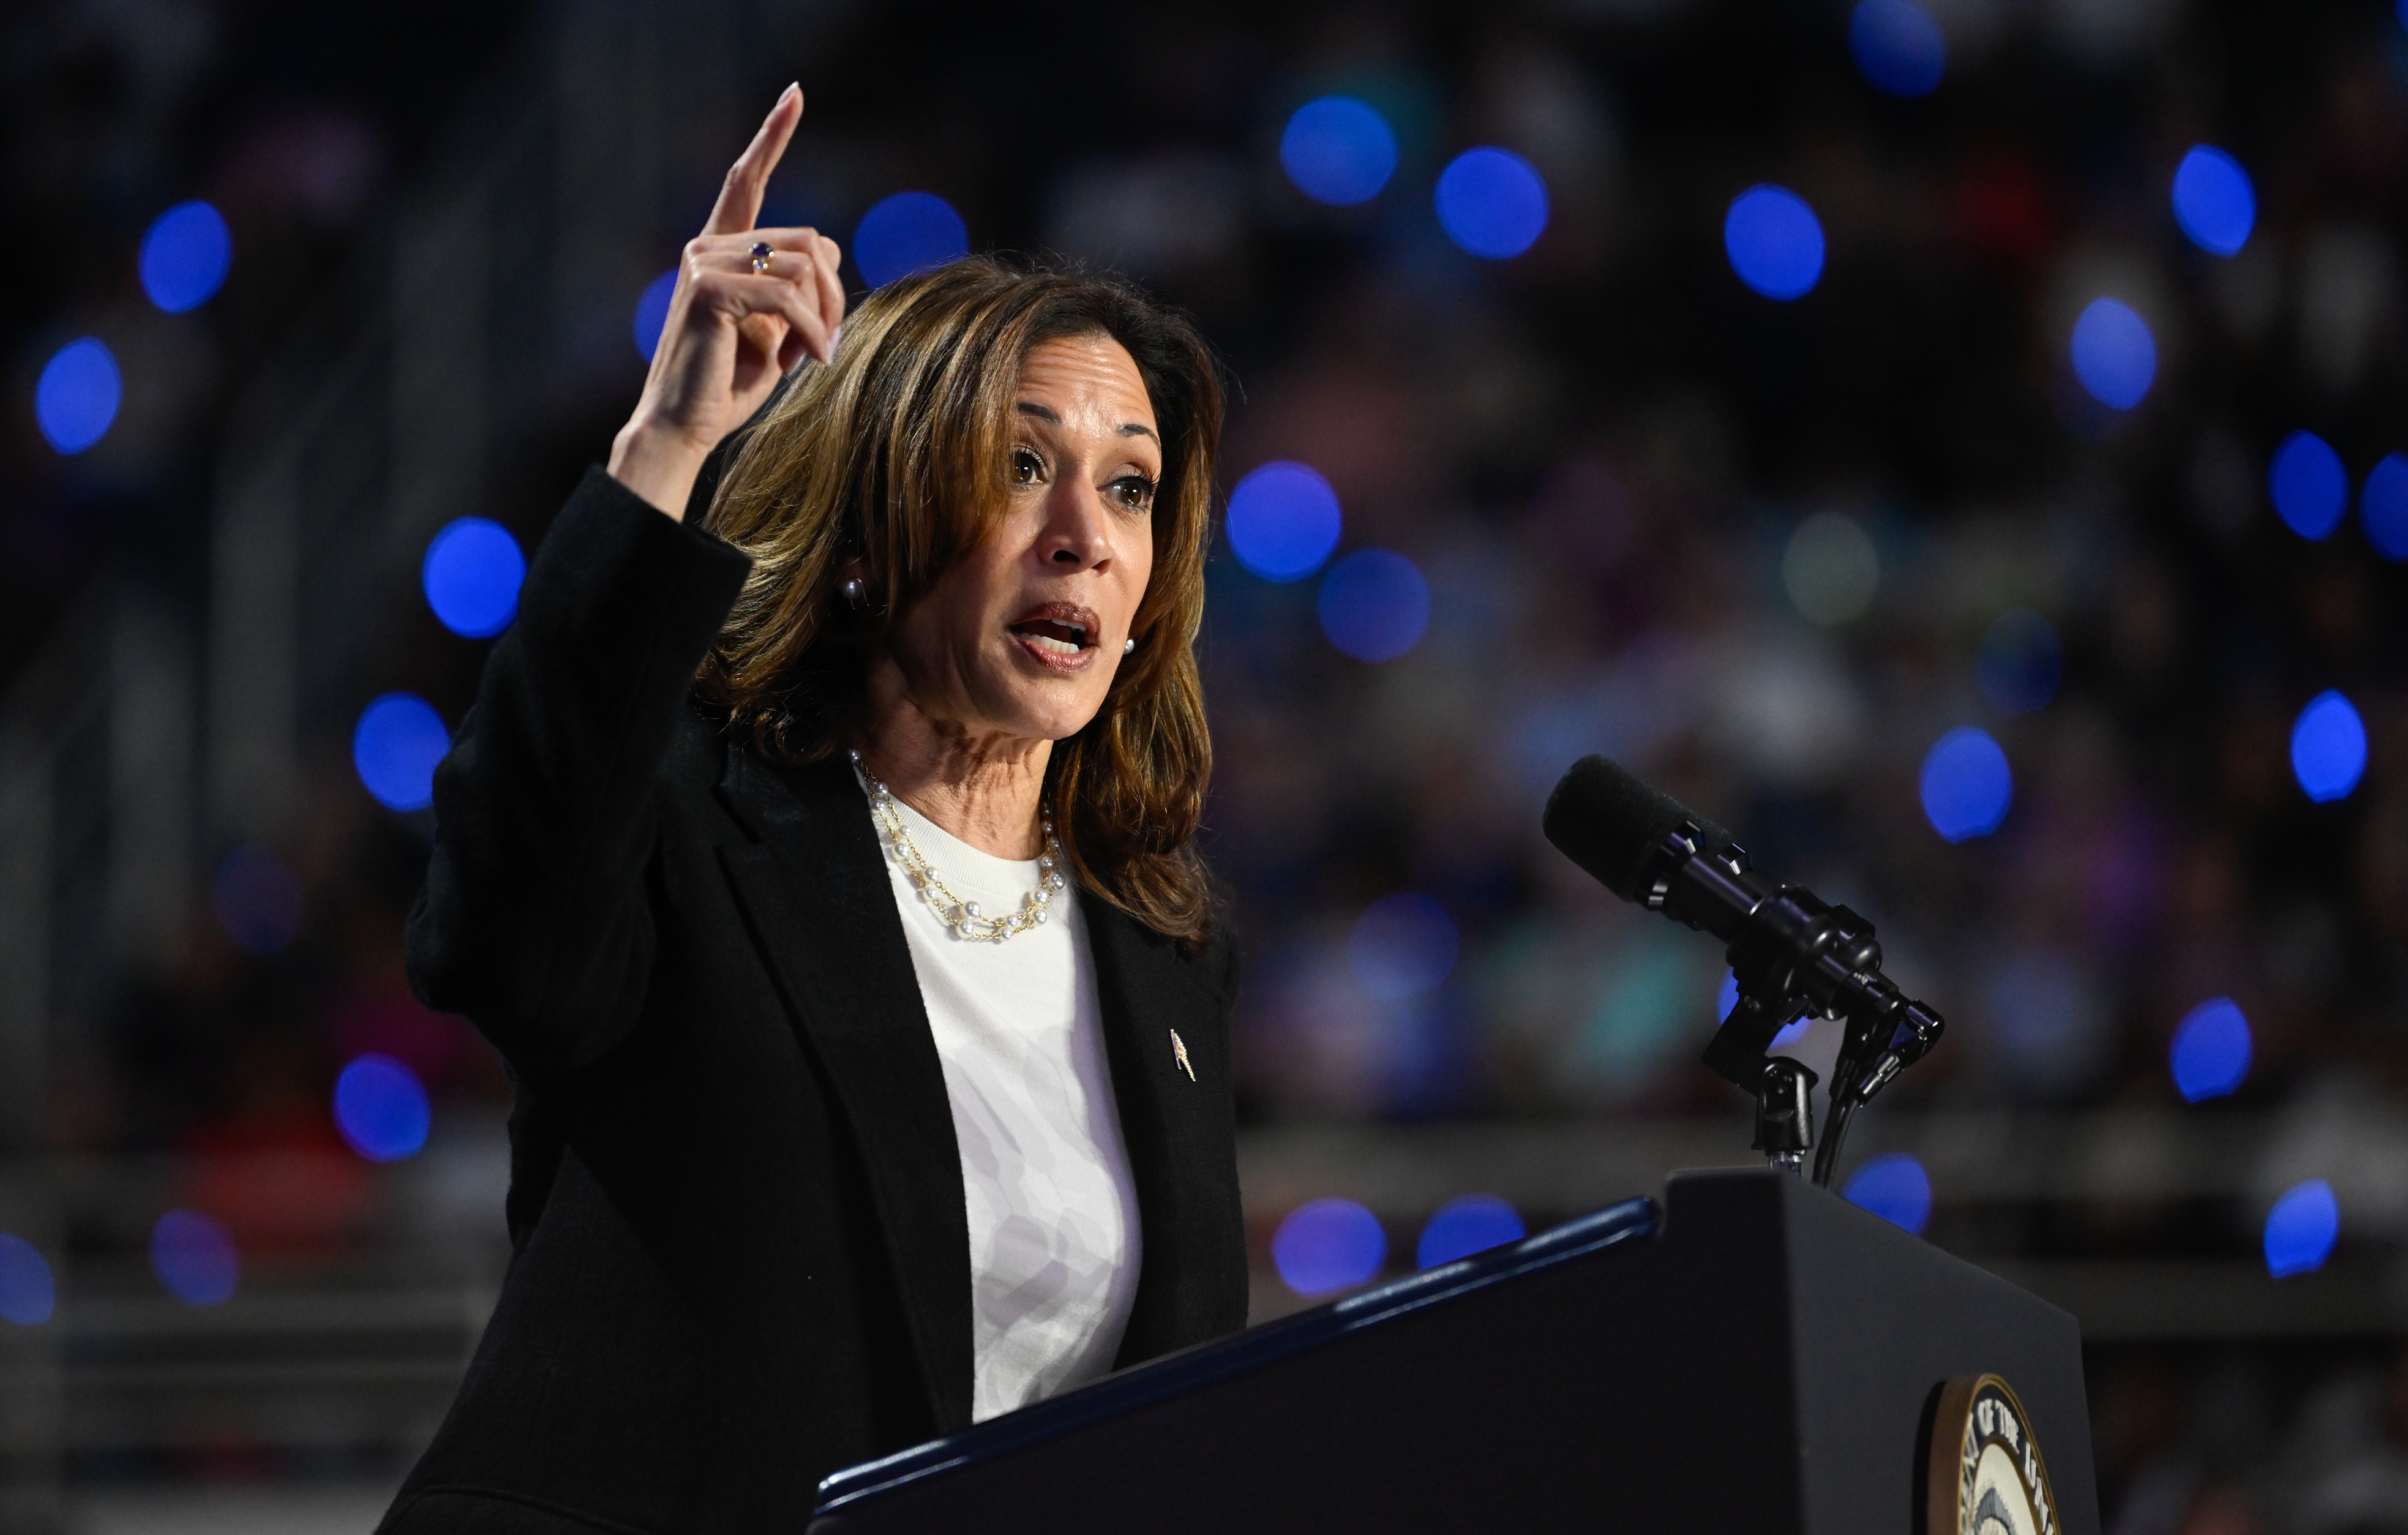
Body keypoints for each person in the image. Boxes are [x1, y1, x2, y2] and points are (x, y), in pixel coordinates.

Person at [376, 85, 1245, 1534]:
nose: (1085, 539)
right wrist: (666, 446)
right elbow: (492, 933)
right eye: (1022, 465)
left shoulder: (1163, 947)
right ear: (880, 520)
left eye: (1132, 489)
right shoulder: (693, 837)